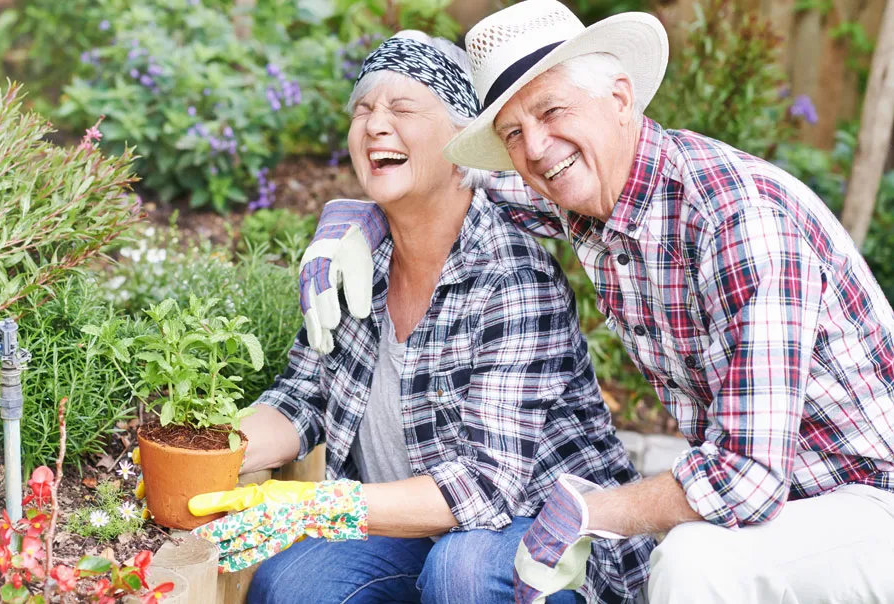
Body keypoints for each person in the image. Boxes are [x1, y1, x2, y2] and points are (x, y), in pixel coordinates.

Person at [296, 1, 894, 603]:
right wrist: (355, 218)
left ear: (620, 98)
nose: (535, 148)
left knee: (694, 563)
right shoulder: (587, 196)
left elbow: (746, 477)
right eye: (512, 133)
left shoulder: (739, 223)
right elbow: (441, 183)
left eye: (552, 111)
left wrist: (588, 510)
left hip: (868, 503)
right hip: (788, 509)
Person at [188, 30, 654, 604]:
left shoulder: (510, 275)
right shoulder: (354, 261)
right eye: (363, 110)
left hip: (542, 535)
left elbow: (486, 488)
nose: (375, 125)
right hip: (416, 530)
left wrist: (319, 505)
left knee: (461, 572)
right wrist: (202, 450)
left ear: (465, 138)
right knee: (294, 584)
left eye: (403, 108)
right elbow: (302, 398)